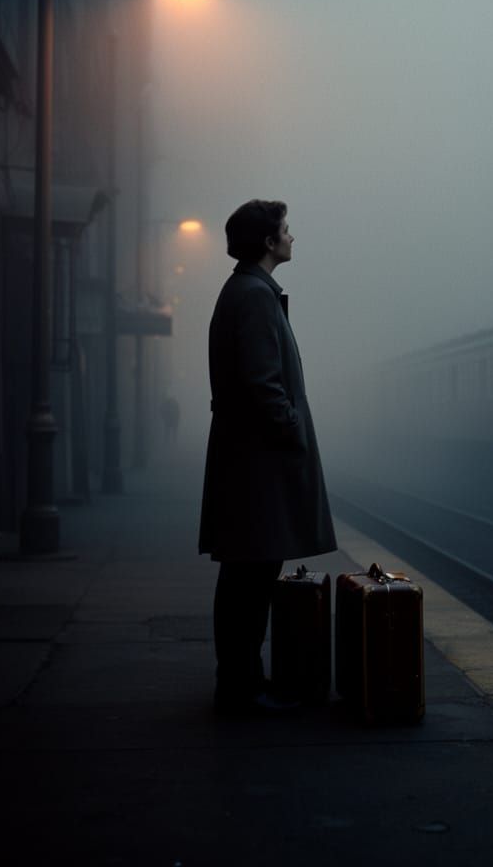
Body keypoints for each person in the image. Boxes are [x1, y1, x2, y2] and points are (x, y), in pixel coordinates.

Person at [199, 200, 337, 714]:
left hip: (251, 456)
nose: (292, 237)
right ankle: (240, 686)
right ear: (267, 242)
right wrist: (292, 427)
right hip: (259, 460)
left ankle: (242, 679)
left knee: (247, 572)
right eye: (285, 230)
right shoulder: (254, 297)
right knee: (250, 575)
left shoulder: (250, 292)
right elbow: (262, 383)